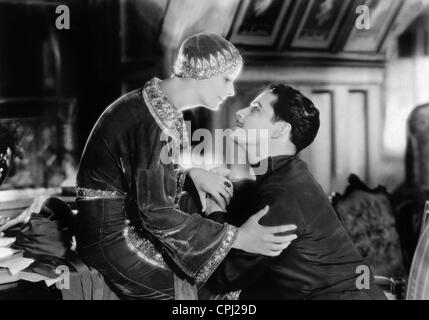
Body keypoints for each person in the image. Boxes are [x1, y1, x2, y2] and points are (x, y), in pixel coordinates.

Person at [75, 34, 297, 299]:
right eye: (226, 79)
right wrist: (237, 237)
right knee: (210, 288)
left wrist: (191, 175)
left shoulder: (158, 106)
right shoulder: (154, 119)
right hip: (110, 238)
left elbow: (143, 178)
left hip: (122, 221)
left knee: (221, 267)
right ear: (202, 72)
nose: (231, 91)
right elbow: (156, 213)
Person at [205, 84, 387, 300]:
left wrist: (213, 212)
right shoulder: (289, 175)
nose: (239, 112)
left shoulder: (284, 193)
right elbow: (258, 191)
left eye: (255, 109)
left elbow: (223, 276)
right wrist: (226, 183)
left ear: (280, 129)